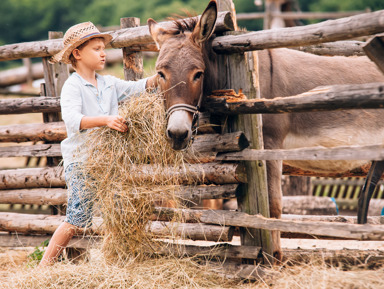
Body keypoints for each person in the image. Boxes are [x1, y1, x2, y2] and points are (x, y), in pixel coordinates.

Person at [39, 22, 158, 266]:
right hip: (82, 162)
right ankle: (43, 268)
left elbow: (139, 88)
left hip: (109, 161)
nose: (103, 53)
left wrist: (162, 75)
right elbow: (73, 120)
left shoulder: (109, 84)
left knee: (119, 213)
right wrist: (106, 120)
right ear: (77, 53)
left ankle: (120, 264)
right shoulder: (72, 86)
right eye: (96, 49)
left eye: (103, 48)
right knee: (76, 218)